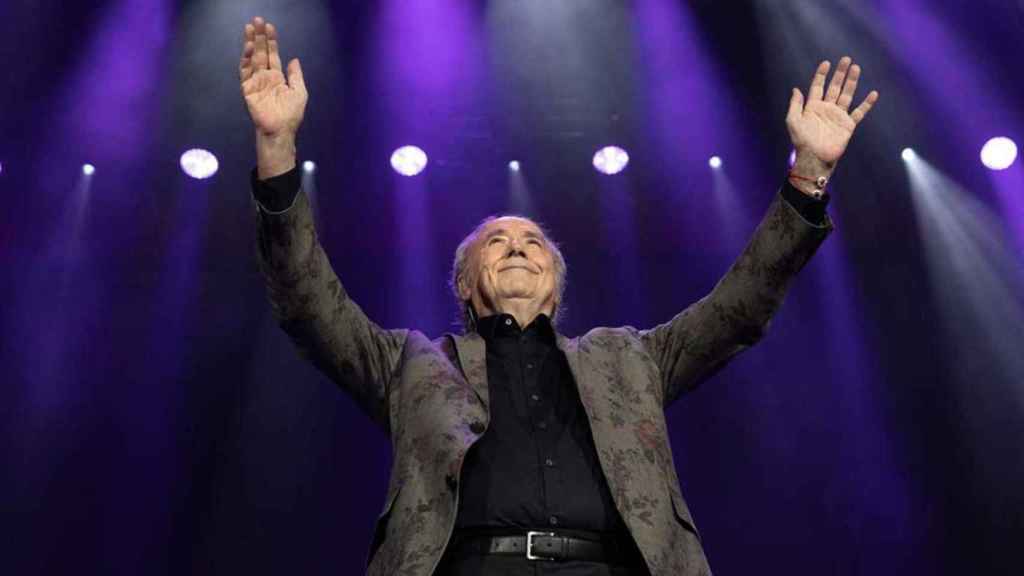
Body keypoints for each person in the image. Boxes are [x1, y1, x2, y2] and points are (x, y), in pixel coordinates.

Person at [239, 15, 878, 576]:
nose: (517, 246)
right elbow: (305, 300)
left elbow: (743, 304)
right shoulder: (411, 363)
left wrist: (808, 175)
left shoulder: (631, 358)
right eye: (496, 242)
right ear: (464, 284)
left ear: (556, 283)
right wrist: (276, 146)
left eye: (533, 242)